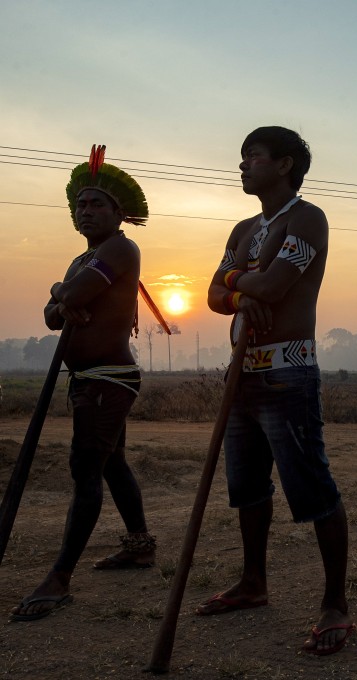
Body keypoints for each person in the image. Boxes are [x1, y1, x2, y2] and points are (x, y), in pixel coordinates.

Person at [200, 126, 354, 656]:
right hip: (243, 374)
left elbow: (269, 286)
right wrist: (241, 291)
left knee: (311, 486)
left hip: (289, 373)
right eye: (241, 158)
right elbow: (212, 294)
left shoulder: (306, 218)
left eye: (253, 157)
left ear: (285, 164)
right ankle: (253, 582)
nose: (243, 166)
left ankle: (335, 603)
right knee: (247, 487)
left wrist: (239, 284)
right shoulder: (243, 228)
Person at [10, 145, 156, 621]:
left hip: (108, 379)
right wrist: (62, 298)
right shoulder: (85, 257)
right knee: (111, 463)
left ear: (119, 213)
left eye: (97, 204)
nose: (86, 210)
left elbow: (65, 298)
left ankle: (59, 577)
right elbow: (53, 318)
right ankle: (139, 546)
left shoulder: (119, 248)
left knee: (86, 467)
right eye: (80, 205)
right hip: (88, 378)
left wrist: (59, 291)